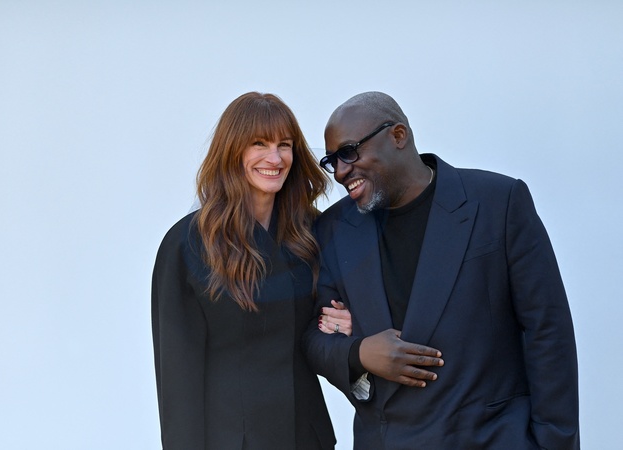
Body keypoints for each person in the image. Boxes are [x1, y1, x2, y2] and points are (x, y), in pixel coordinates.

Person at [306, 91, 579, 449]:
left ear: (398, 136)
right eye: (332, 161)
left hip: (492, 438)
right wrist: (359, 353)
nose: (341, 171)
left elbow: (548, 332)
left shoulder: (498, 202)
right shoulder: (333, 229)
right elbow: (315, 338)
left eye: (349, 152)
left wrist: (553, 443)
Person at [151, 92, 352, 449]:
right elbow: (178, 379)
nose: (274, 158)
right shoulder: (187, 244)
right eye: (259, 144)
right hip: (232, 439)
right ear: (232, 151)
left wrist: (346, 324)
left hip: (306, 436)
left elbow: (334, 320)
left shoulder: (313, 233)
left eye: (284, 145)